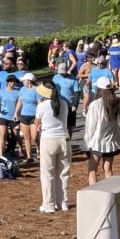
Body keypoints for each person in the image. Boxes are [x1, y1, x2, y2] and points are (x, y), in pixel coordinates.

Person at [35, 81, 71, 213]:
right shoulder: (64, 103)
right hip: (64, 139)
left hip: (48, 139)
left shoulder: (42, 106)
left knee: (47, 173)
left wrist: (40, 125)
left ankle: (49, 204)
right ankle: (63, 202)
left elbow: (37, 121)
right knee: (63, 173)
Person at [83, 77, 120, 184]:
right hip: (111, 141)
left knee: (92, 171)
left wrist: (87, 143)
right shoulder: (116, 102)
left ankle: (94, 195)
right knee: (108, 170)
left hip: (97, 142)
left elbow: (90, 127)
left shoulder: (95, 105)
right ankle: (110, 195)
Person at [15, 72, 40, 160]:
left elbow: (39, 103)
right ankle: (29, 156)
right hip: (24, 115)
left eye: (24, 80)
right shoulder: (22, 90)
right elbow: (20, 101)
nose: (23, 82)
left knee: (34, 136)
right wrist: (16, 113)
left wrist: (39, 116)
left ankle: (38, 149)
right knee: (26, 137)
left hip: (34, 116)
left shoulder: (37, 89)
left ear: (29, 81)